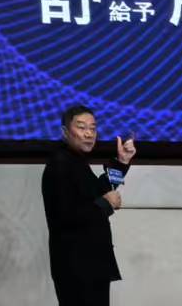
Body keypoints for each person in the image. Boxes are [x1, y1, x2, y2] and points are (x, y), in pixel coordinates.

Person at [41, 104, 138, 306]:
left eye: (93, 128)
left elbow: (98, 189)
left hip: (90, 266)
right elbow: (65, 215)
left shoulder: (75, 162)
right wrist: (105, 204)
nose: (89, 134)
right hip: (76, 269)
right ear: (65, 132)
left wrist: (121, 162)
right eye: (81, 127)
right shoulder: (60, 163)